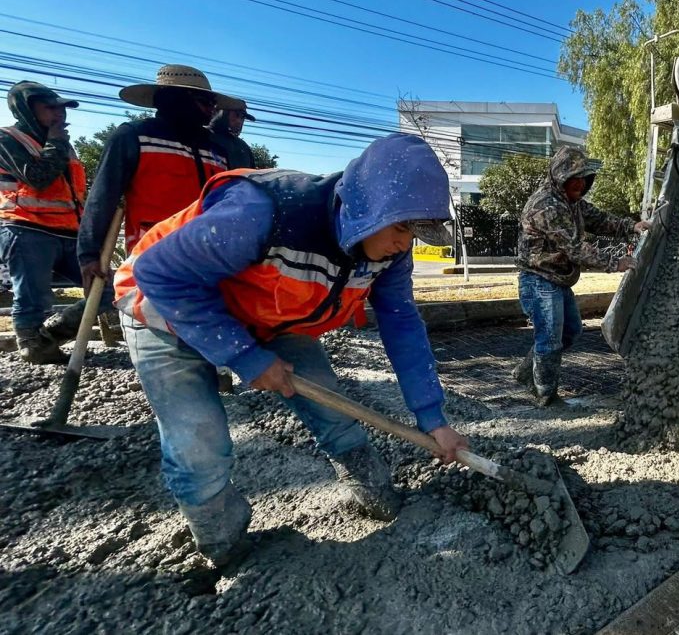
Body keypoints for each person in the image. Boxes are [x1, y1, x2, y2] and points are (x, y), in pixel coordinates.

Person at [113, 134, 468, 565]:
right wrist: (245, 357)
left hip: (265, 316)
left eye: (415, 233)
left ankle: (375, 494)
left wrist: (433, 418)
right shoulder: (266, 210)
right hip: (164, 307)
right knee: (198, 443)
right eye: (401, 228)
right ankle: (225, 546)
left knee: (331, 407)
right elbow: (159, 273)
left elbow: (402, 323)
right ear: (366, 208)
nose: (405, 244)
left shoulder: (388, 253)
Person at [78, 64, 239, 293]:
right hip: (153, 260)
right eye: (205, 101)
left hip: (209, 261)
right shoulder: (134, 136)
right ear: (178, 99)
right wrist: (89, 254)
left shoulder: (218, 149)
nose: (212, 110)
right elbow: (103, 197)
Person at [513, 147, 649, 406]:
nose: (580, 186)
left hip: (558, 278)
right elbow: (575, 248)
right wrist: (615, 262)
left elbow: (598, 219)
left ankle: (526, 372)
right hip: (539, 279)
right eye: (574, 180)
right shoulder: (547, 206)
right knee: (549, 339)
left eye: (584, 180)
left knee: (571, 332)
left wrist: (631, 226)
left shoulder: (571, 202)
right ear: (560, 178)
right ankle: (545, 395)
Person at [0, 81, 87, 363]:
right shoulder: (7, 139)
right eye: (50, 108)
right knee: (33, 297)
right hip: (26, 227)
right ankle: (34, 347)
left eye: (62, 109)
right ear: (26, 110)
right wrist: (57, 142)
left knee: (110, 288)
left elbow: (74, 192)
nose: (59, 114)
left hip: (70, 231)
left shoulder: (63, 145)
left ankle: (53, 333)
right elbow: (38, 177)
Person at [208, 99, 257, 170]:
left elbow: (251, 174)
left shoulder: (243, 147)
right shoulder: (203, 135)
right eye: (236, 115)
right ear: (223, 113)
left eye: (242, 117)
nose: (239, 121)